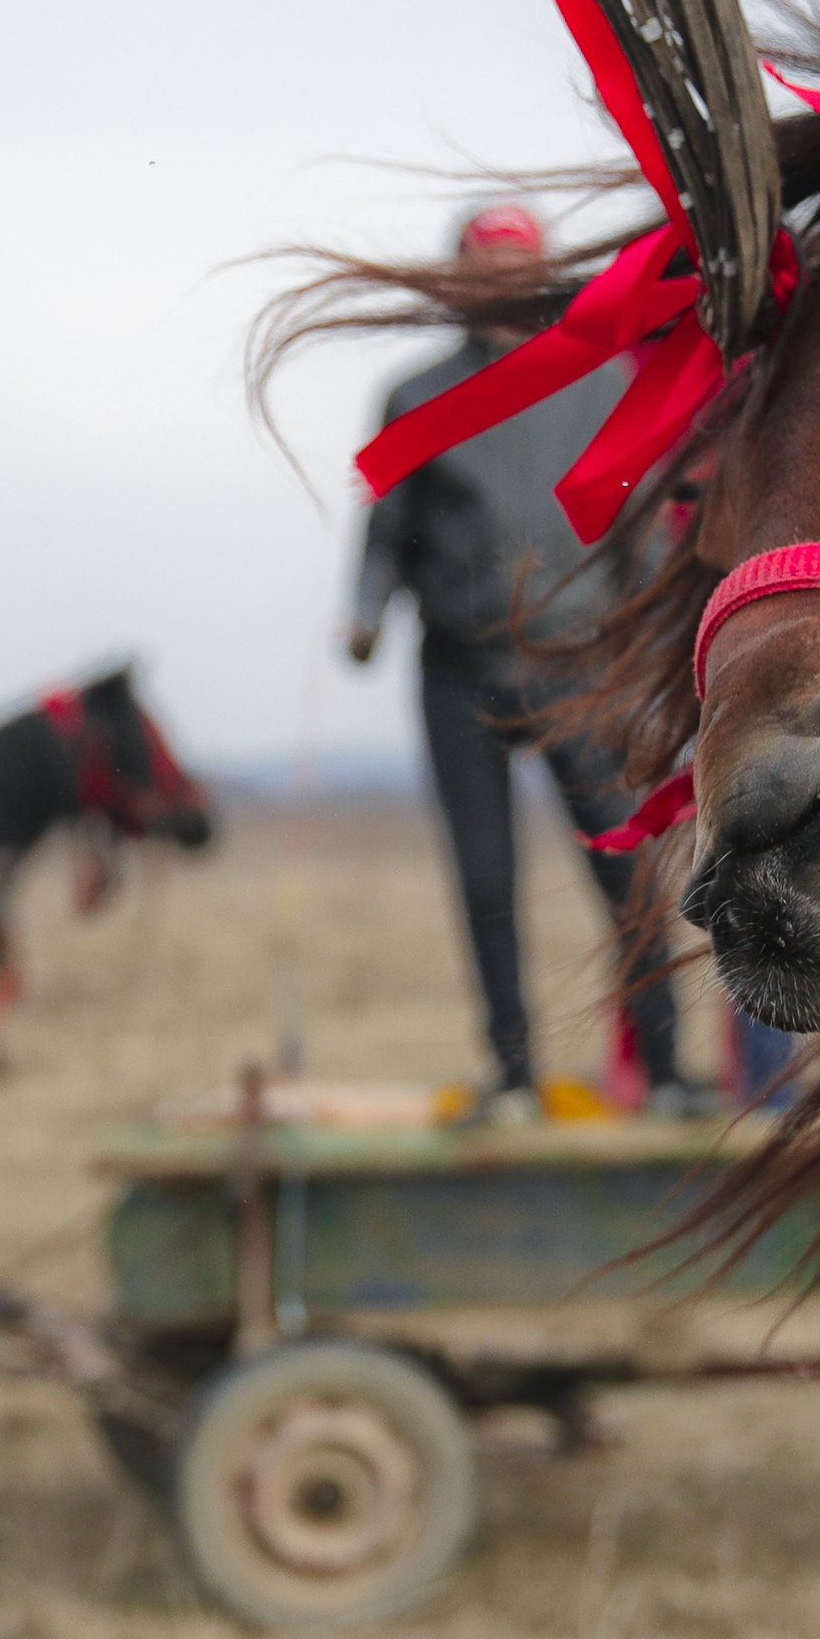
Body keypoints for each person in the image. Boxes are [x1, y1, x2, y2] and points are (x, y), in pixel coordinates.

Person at [349, 207, 704, 1123]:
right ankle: (512, 1080)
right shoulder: (413, 392)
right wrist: (362, 613)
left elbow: (643, 527)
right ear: (456, 279)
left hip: (580, 667)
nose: (501, 282)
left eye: (519, 267)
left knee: (624, 873)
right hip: (456, 672)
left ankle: (664, 1074)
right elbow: (385, 529)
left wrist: (659, 640)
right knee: (484, 879)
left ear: (546, 277)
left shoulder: (600, 383)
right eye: (484, 268)